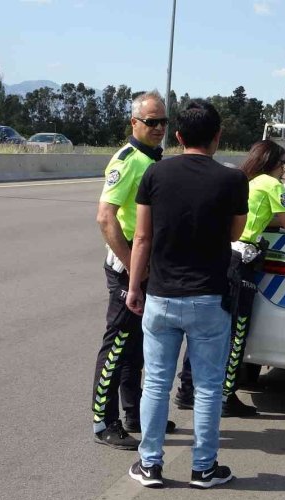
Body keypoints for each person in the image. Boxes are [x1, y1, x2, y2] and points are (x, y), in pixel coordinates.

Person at [126, 99, 248, 489]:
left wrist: (133, 286)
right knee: (209, 387)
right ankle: (204, 469)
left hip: (160, 295)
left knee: (157, 384)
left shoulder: (156, 174)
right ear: (217, 137)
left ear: (177, 136)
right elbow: (235, 234)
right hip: (208, 298)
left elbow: (142, 237)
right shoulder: (233, 179)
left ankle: (150, 465)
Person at [175, 140, 285, 417]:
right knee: (238, 331)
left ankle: (187, 389)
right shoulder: (272, 185)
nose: (283, 169)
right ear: (273, 163)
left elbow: (261, 219)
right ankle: (225, 396)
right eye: (282, 163)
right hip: (243, 263)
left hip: (222, 257)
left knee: (207, 328)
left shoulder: (244, 181)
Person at [91, 90, 175, 450]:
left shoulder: (151, 158)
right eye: (151, 122)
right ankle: (103, 421)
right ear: (134, 123)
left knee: (136, 347)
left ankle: (134, 413)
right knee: (117, 344)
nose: (158, 128)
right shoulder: (128, 161)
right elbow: (105, 218)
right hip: (129, 267)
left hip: (143, 268)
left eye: (163, 122)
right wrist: (133, 267)